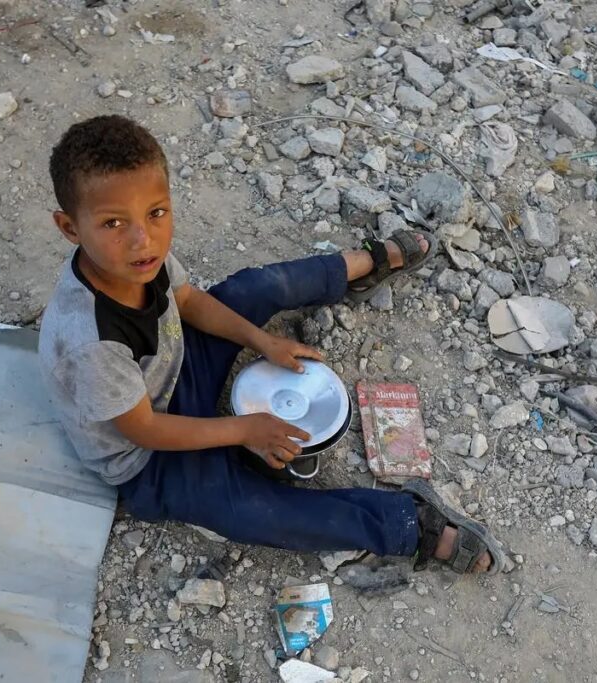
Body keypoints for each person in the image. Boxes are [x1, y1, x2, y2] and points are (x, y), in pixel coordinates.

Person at [38, 115, 507, 575]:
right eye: (114, 223)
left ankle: (361, 265)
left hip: (175, 365)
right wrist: (244, 430)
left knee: (251, 291)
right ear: (70, 228)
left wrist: (262, 340)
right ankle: (409, 527)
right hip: (148, 460)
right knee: (248, 511)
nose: (143, 237)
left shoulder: (140, 258)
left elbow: (189, 301)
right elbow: (144, 430)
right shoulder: (91, 341)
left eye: (156, 213)